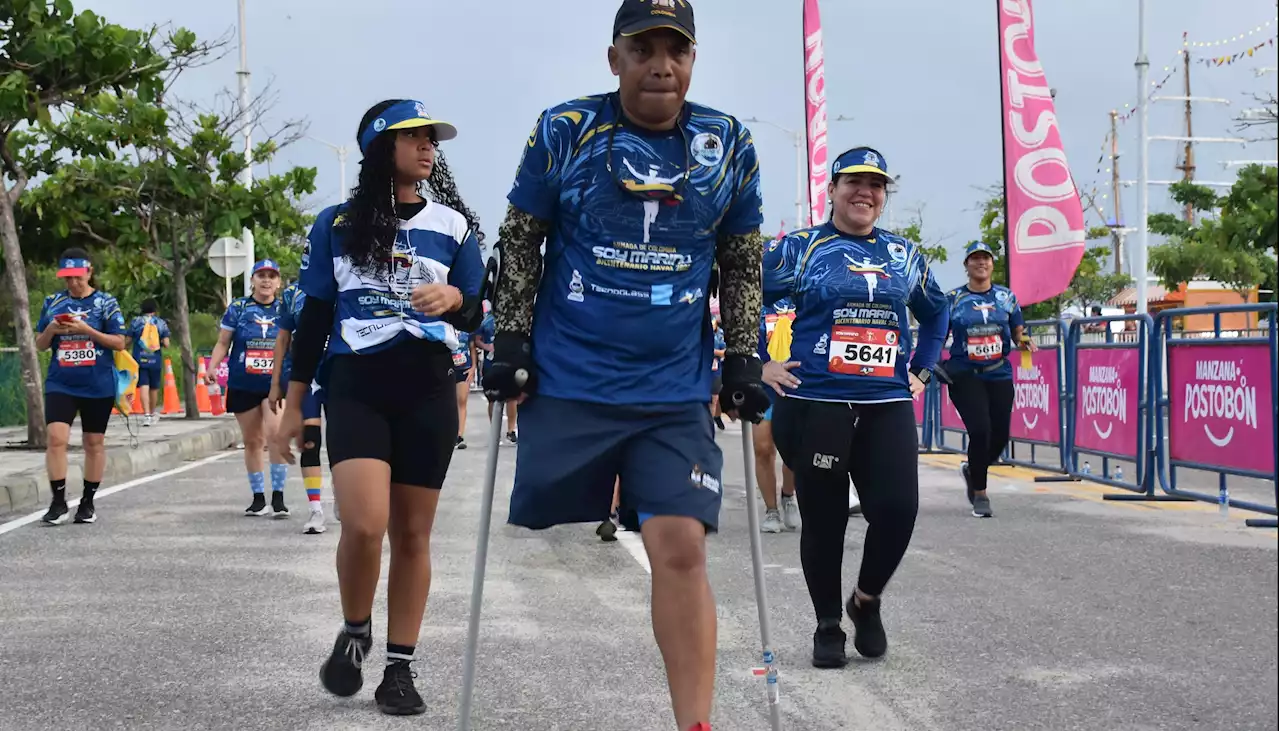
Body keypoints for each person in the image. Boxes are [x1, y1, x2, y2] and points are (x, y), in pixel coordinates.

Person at [482, 3, 769, 728]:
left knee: (679, 545)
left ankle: (694, 722)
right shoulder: (566, 129)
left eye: (676, 49)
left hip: (671, 386)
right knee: (543, 530)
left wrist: (745, 354)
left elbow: (739, 258)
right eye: (644, 48)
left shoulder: (725, 142)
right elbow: (523, 239)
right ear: (615, 58)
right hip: (573, 375)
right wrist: (509, 340)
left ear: (694, 60)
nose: (661, 65)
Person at [276, 98, 484, 716]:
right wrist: (295, 403)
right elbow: (314, 316)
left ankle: (400, 667)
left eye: (431, 139)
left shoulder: (453, 225)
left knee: (413, 533)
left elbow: (477, 308)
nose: (427, 147)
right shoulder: (335, 224)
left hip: (427, 388)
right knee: (364, 524)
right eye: (413, 137)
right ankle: (356, 627)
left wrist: (455, 297)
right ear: (378, 149)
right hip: (356, 384)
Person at [762, 146, 949, 668]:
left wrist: (923, 369)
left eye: (876, 185)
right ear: (833, 189)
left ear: (884, 196)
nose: (864, 192)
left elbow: (937, 312)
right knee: (824, 523)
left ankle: (866, 601)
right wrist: (757, 363)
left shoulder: (904, 256)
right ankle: (827, 624)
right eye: (853, 182)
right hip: (816, 402)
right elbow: (742, 294)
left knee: (897, 511)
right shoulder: (798, 249)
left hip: (887, 402)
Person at [944, 241, 1035, 518]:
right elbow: (936, 333)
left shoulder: (1006, 298)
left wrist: (1025, 343)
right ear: (966, 266)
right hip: (965, 375)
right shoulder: (953, 300)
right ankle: (980, 493)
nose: (980, 263)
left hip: (999, 373)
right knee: (980, 430)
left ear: (992, 264)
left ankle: (973, 469)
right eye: (975, 259)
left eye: (985, 259)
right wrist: (932, 363)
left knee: (999, 436)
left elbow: (1018, 331)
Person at [36, 249, 127, 525]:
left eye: (77, 277)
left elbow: (120, 342)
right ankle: (58, 501)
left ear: (89, 273)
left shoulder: (105, 303)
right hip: (61, 382)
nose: (72, 283)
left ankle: (87, 502)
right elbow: (40, 345)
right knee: (55, 438)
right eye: (67, 278)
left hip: (97, 384)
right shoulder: (53, 302)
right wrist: (52, 330)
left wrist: (88, 331)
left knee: (93, 442)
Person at [207, 259, 289, 518]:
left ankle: (278, 497)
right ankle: (258, 498)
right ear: (252, 280)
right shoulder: (238, 308)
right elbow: (223, 342)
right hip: (243, 382)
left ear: (278, 282)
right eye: (261, 275)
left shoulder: (286, 308)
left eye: (271, 276)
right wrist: (212, 366)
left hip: (275, 384)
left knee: (276, 434)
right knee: (253, 440)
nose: (266, 280)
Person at [269, 280, 328, 534]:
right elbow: (282, 339)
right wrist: (275, 383)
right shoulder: (292, 294)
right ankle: (316, 509)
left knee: (342, 439)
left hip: (341, 369)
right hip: (305, 374)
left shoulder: (346, 280)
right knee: (311, 440)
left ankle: (344, 495)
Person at [755, 298, 800, 533]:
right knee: (763, 448)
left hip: (796, 383)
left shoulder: (802, 291)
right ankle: (771, 511)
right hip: (763, 385)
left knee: (792, 448)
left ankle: (788, 495)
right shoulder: (759, 298)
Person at [475, 305, 518, 444]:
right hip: (490, 363)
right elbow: (477, 339)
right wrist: (487, 347)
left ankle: (511, 431)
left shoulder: (511, 319)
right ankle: (495, 432)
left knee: (512, 397)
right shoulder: (486, 320)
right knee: (492, 398)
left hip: (507, 361)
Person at [126, 298, 171, 426]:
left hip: (139, 359)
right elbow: (167, 344)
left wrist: (123, 349)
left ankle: (146, 415)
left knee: (143, 386)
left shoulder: (136, 322)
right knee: (154, 388)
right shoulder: (161, 323)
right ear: (155, 310)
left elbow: (128, 341)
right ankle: (152, 414)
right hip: (155, 360)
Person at [452, 327, 476, 449]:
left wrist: (473, 368)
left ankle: (459, 435)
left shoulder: (467, 328)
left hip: (464, 369)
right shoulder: (444, 324)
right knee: (449, 404)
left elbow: (472, 348)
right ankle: (448, 434)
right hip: (449, 369)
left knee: (462, 401)